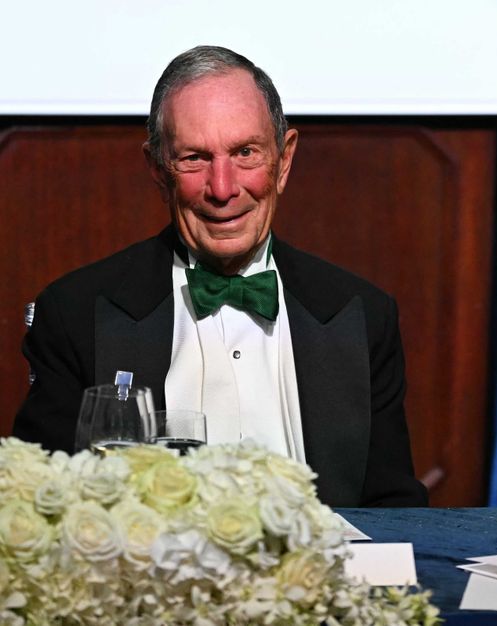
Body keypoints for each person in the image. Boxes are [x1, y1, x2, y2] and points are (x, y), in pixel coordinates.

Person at [14, 45, 427, 508]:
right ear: (156, 170)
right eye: (194, 158)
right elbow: (41, 508)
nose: (223, 189)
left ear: (284, 160)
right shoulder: (75, 315)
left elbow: (396, 514)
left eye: (246, 153)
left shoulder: (363, 315)